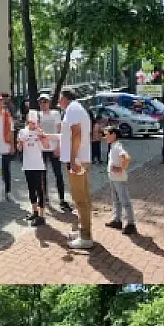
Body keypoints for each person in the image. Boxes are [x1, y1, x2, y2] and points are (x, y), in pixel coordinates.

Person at [59, 89, 94, 249]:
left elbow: (77, 134)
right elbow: (70, 135)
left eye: (60, 98)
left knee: (80, 199)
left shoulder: (72, 109)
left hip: (77, 160)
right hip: (81, 158)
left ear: (65, 98)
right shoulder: (78, 109)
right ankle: (83, 231)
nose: (59, 101)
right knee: (84, 198)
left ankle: (86, 237)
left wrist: (72, 159)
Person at [36, 94, 71, 212]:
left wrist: (59, 147)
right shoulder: (37, 115)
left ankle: (62, 199)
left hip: (54, 148)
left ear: (49, 103)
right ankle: (45, 198)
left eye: (45, 102)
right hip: (42, 149)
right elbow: (36, 131)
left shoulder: (55, 113)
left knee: (58, 174)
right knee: (42, 175)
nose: (43, 104)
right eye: (41, 102)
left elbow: (60, 131)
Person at [17, 109, 50, 226]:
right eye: (31, 122)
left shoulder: (39, 132)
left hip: (38, 165)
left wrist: (42, 137)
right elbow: (19, 149)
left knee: (40, 190)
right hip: (27, 165)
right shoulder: (22, 131)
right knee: (31, 189)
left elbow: (47, 146)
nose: (33, 124)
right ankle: (34, 211)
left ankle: (42, 215)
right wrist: (20, 142)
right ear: (28, 121)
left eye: (35, 122)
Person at [102, 125, 136, 235]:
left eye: (107, 135)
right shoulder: (113, 145)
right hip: (113, 178)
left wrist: (121, 168)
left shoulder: (117, 146)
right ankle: (117, 220)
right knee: (116, 200)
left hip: (119, 179)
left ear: (113, 135)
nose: (105, 137)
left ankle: (131, 224)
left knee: (124, 201)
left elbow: (126, 157)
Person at [0, 94, 15, 194]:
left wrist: (12, 146)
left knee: (6, 171)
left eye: (1, 102)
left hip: (6, 146)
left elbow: (12, 130)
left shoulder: (7, 115)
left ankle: (8, 192)